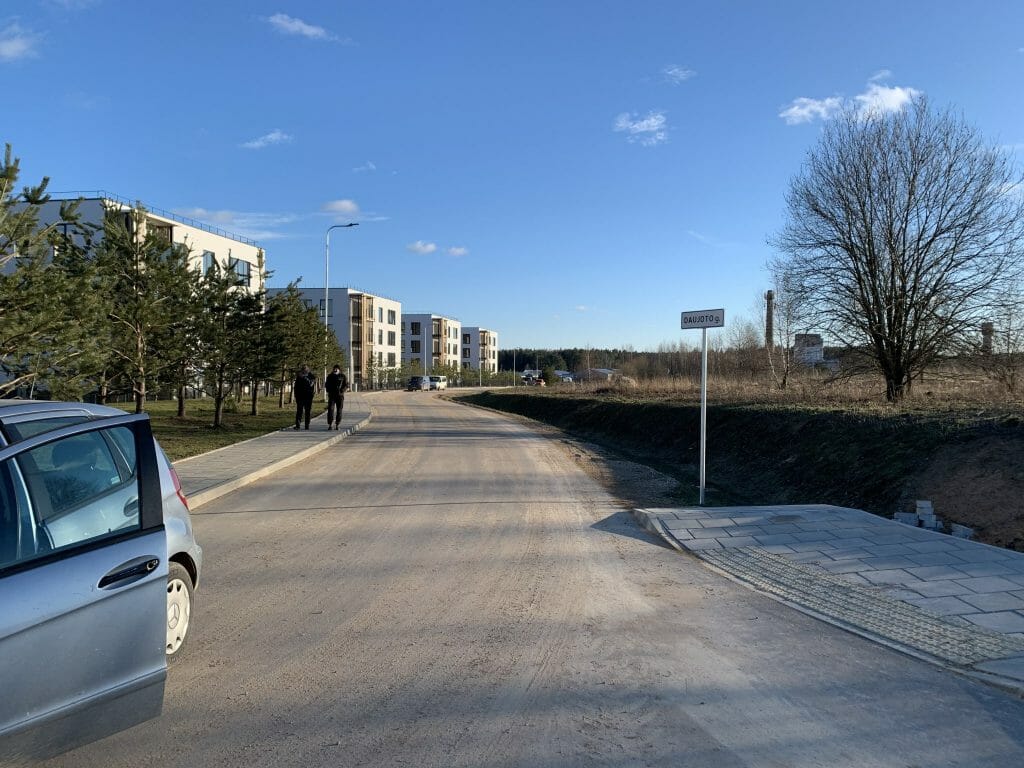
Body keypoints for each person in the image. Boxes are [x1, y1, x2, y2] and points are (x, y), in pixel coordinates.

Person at [325, 364, 348, 430]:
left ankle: (337, 424)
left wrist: (342, 391)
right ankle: (330, 424)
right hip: (332, 396)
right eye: (334, 368)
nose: (335, 370)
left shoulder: (342, 376)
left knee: (339, 410)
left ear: (339, 369)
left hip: (340, 396)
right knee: (330, 409)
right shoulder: (330, 376)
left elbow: (346, 385)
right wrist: (329, 390)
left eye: (336, 369)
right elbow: (327, 384)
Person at [293, 365, 316, 430]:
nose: (305, 370)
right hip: (300, 397)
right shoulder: (299, 377)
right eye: (303, 370)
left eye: (306, 369)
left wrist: (304, 378)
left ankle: (307, 425)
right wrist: (296, 395)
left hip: (308, 397)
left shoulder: (311, 376)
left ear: (308, 370)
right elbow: (296, 387)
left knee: (307, 412)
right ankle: (298, 425)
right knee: (299, 411)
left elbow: (311, 384)